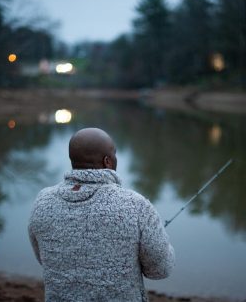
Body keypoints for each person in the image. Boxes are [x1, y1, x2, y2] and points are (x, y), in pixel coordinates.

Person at [28, 127, 175, 302]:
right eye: (114, 154)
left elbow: (44, 259)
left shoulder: (42, 201)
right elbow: (160, 270)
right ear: (107, 161)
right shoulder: (136, 205)